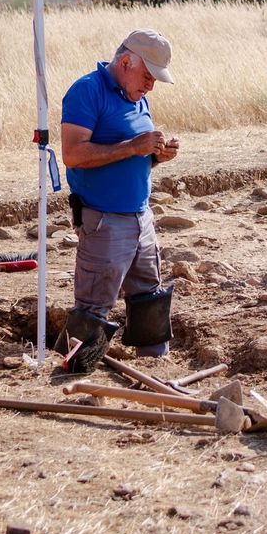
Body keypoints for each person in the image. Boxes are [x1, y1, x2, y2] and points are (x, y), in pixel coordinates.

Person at [58, 28, 180, 373]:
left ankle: (157, 366)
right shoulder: (87, 91)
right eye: (147, 76)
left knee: (149, 295)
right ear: (125, 62)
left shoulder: (137, 95)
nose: (150, 86)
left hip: (140, 216)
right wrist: (134, 147)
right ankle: (75, 372)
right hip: (104, 219)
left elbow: (134, 154)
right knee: (95, 304)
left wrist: (155, 156)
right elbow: (73, 153)